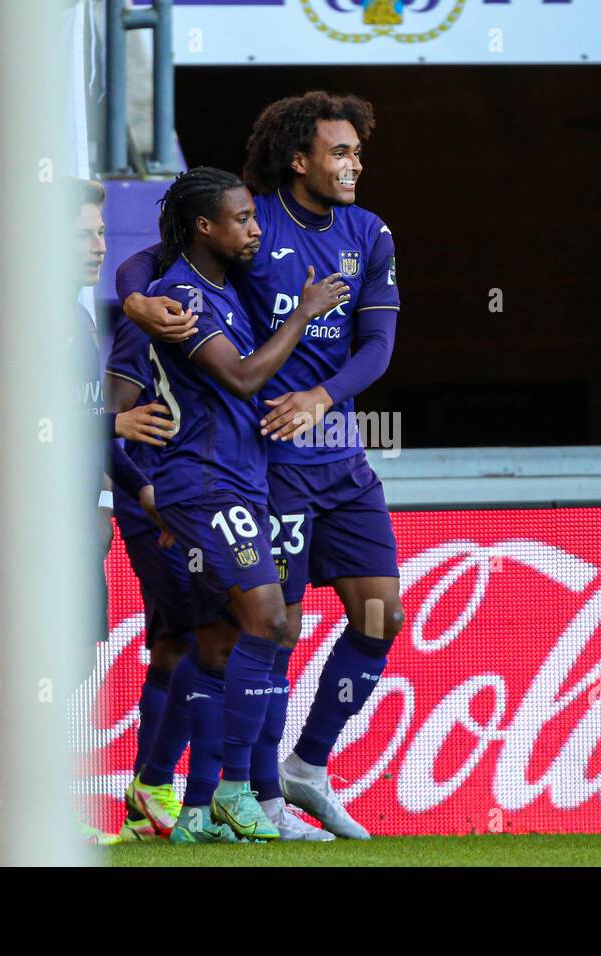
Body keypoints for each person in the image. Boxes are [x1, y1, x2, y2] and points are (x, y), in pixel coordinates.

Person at [120, 91, 403, 841]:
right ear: (300, 158)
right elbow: (154, 258)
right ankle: (258, 793)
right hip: (265, 464)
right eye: (339, 152)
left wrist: (322, 393)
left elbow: (377, 349)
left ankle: (308, 766)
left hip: (339, 455)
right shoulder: (251, 224)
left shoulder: (368, 233)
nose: (354, 164)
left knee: (382, 614)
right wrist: (135, 301)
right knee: (273, 628)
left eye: (356, 151)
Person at [136, 166, 347, 843]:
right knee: (268, 620)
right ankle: (234, 788)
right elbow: (244, 375)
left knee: (220, 641)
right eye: (242, 220)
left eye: (257, 218)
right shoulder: (180, 294)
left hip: (237, 481)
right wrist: (305, 313)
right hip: (204, 483)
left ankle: (197, 810)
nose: (255, 230)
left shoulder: (225, 287)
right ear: (205, 227)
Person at [0, 177, 160, 844]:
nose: (98, 245)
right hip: (34, 510)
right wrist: (113, 429)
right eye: (82, 234)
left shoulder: (68, 314)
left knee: (63, 659)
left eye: (101, 232)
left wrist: (116, 479)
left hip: (67, 512)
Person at [104, 261, 200, 842]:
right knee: (204, 637)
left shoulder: (224, 303)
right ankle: (158, 784)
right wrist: (147, 491)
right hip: (159, 506)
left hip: (198, 498)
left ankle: (148, 806)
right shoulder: (151, 315)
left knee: (174, 645)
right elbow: (110, 421)